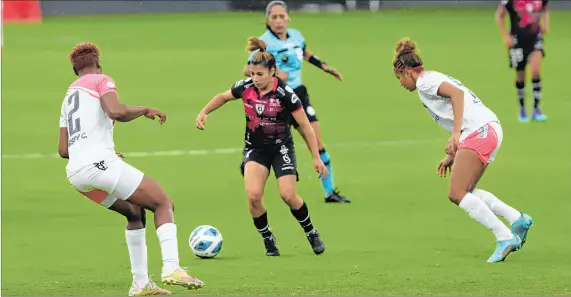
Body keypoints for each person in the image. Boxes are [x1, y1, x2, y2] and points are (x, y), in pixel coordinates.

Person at [59, 42, 204, 296]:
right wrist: (146, 109)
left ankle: (140, 284)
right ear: (98, 64)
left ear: (75, 70)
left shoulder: (68, 97)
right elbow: (115, 111)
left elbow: (63, 149)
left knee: (134, 212)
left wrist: (96, 149)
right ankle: (172, 267)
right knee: (162, 202)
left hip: (77, 176)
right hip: (98, 165)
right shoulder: (101, 79)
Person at [392, 37, 534, 263]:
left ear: (408, 72)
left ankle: (505, 236)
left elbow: (457, 96)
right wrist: (452, 154)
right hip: (487, 129)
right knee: (467, 191)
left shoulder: (424, 82)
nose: (399, 82)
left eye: (398, 76)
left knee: (456, 193)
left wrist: (456, 135)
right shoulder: (429, 80)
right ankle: (516, 218)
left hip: (479, 131)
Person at [197, 37, 328, 256]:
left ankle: (311, 231)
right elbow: (222, 96)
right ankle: (268, 238)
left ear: (272, 72)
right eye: (252, 73)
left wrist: (316, 157)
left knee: (288, 195)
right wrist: (204, 112)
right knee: (254, 197)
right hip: (255, 150)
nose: (254, 78)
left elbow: (305, 126)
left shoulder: (285, 94)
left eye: (260, 74)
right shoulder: (245, 87)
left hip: (281, 149)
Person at [243, 0, 350, 203]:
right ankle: (257, 177)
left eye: (282, 16)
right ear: (267, 20)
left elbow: (306, 53)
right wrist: (271, 76)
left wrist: (325, 67)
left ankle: (330, 192)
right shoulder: (264, 43)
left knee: (317, 142)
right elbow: (248, 69)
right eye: (274, 17)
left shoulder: (296, 36)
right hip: (275, 97)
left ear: (288, 17)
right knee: (268, 142)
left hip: (298, 95)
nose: (278, 20)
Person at [495, 0, 549, 122]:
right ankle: (522, 108)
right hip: (517, 41)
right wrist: (506, 36)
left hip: (535, 38)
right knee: (520, 75)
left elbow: (545, 8)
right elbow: (499, 15)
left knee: (535, 72)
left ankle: (536, 108)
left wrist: (545, 24)